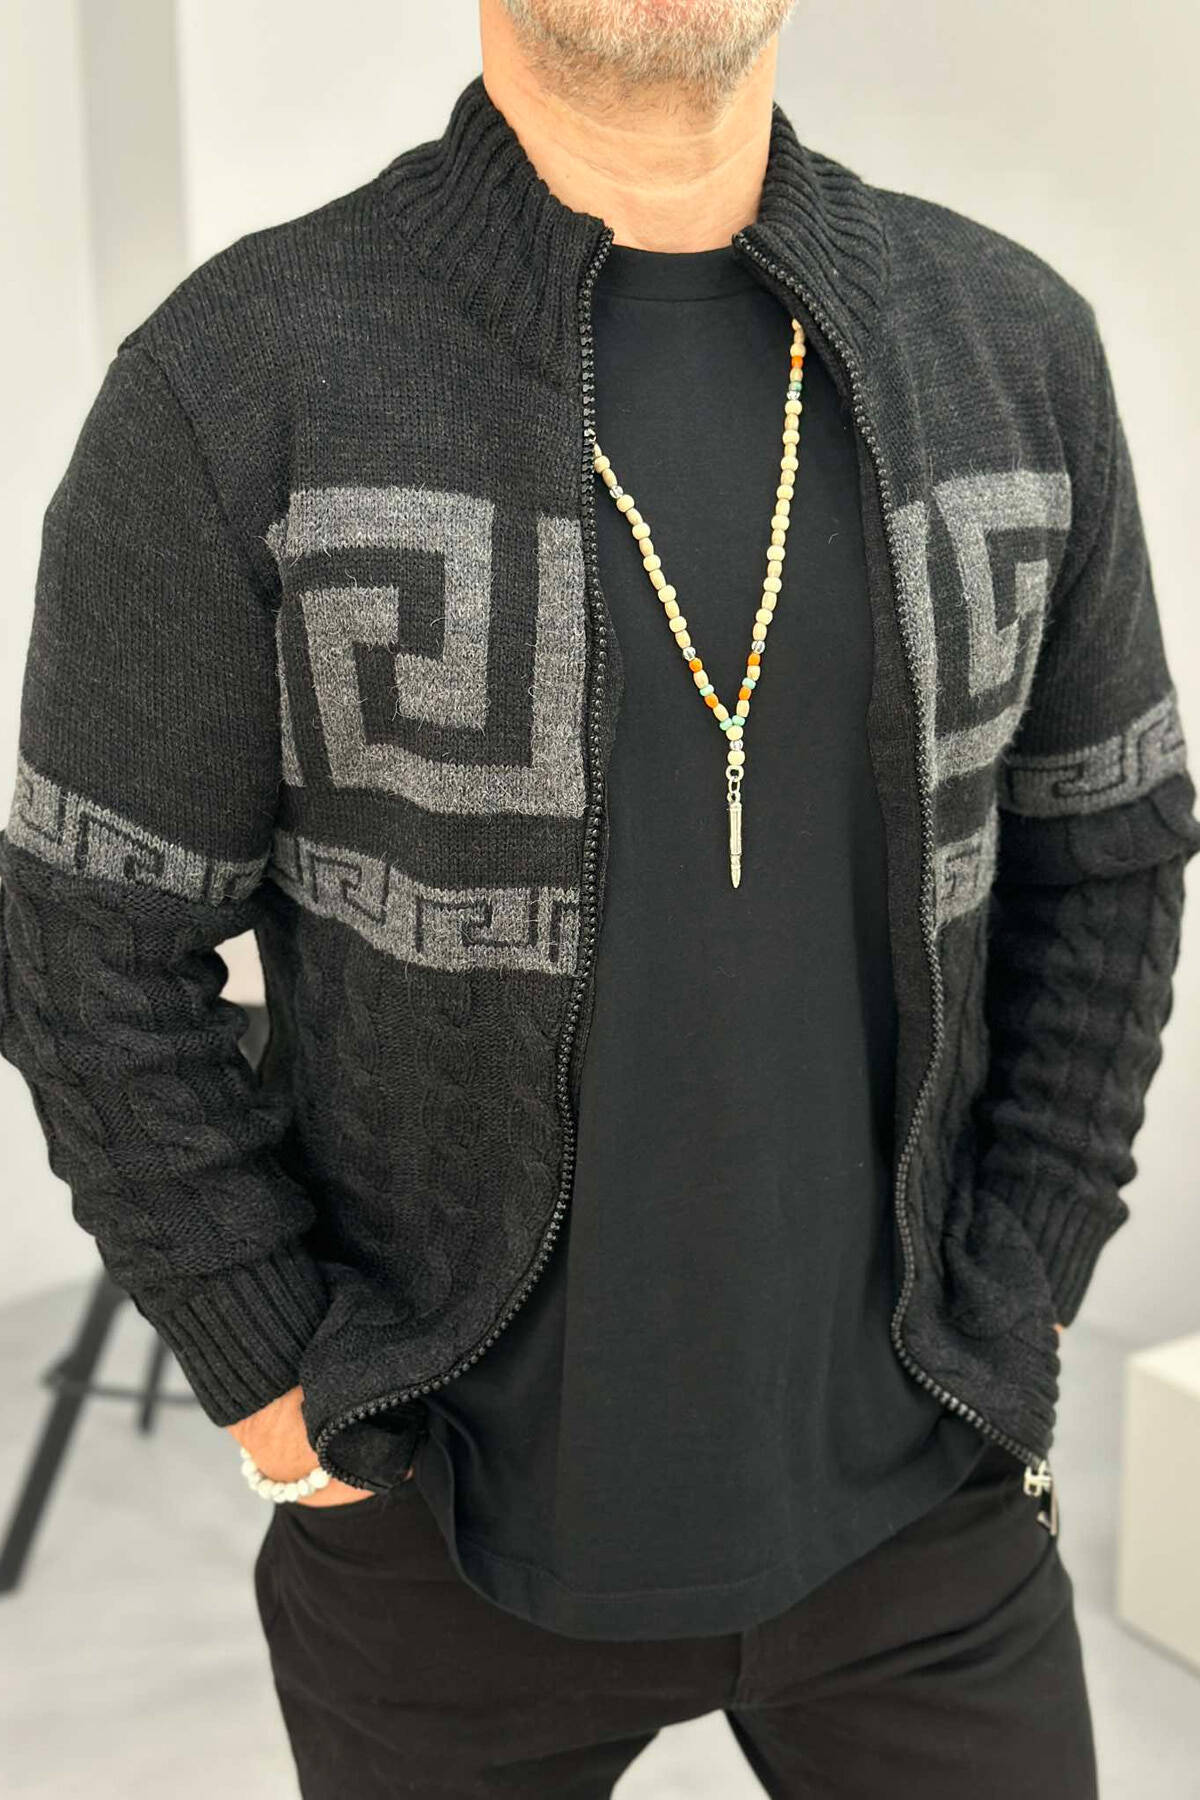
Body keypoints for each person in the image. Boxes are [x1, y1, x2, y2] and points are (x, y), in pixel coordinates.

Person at [2, 0, 1197, 1792]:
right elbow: (87, 937)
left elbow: (1109, 845)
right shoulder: (242, 372)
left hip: (928, 1502)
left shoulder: (1009, 343)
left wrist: (1026, 1275)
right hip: (441, 1530)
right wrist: (279, 1389)